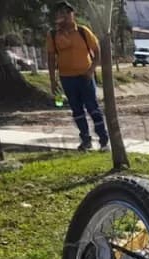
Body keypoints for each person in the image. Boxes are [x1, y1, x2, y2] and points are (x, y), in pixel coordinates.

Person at [46, 1, 110, 151]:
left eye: (67, 12)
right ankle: (85, 141)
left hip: (85, 77)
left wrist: (91, 70)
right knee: (77, 111)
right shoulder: (53, 35)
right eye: (60, 12)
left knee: (93, 108)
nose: (64, 15)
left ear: (72, 15)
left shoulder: (83, 31)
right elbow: (51, 58)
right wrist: (53, 80)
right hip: (67, 78)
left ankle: (103, 141)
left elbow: (97, 51)